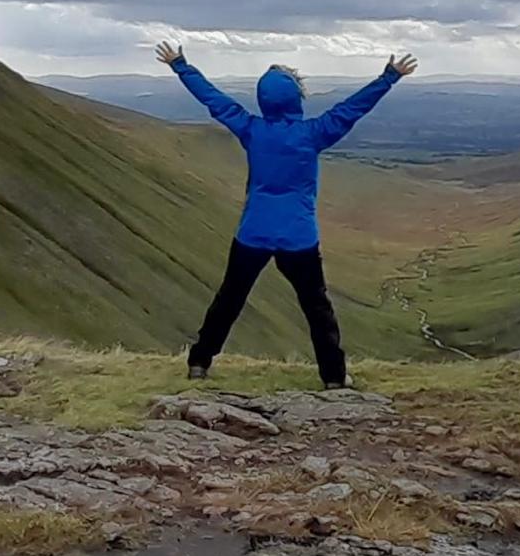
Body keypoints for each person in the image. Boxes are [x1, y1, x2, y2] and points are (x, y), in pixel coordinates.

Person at [155, 42, 418, 388]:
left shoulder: (251, 130)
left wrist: (181, 65)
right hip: (299, 236)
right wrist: (388, 77)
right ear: (297, 98)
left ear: (263, 100)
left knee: (229, 300)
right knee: (317, 308)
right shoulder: (313, 134)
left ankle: (199, 363)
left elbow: (214, 100)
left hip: (254, 232)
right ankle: (334, 378)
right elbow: (352, 109)